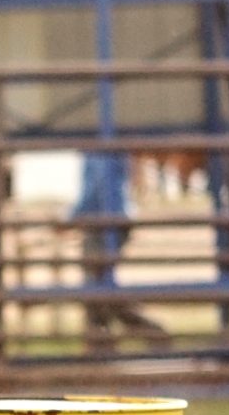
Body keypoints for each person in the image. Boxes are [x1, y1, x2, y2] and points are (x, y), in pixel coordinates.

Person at [68, 151, 173, 354]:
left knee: (95, 283)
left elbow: (96, 187)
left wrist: (72, 217)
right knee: (97, 282)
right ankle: (103, 341)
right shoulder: (102, 145)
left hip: (104, 220)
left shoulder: (97, 147)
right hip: (109, 218)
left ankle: (110, 339)